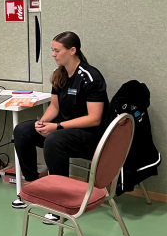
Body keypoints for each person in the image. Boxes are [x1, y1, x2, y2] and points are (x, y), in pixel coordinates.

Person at [11, 31, 110, 223]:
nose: (53, 54)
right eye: (52, 50)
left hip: (89, 137)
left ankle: (58, 203)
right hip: (63, 130)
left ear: (72, 50)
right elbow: (55, 106)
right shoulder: (61, 75)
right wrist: (43, 122)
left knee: (55, 140)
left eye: (57, 50)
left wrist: (57, 127)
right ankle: (34, 187)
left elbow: (94, 118)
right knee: (23, 130)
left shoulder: (91, 77)